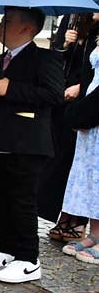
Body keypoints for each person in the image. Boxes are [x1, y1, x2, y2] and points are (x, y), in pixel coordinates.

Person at [0, 7, 64, 283]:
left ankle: (28, 258)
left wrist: (11, 88)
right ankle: (6, 248)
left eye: (7, 21)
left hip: (28, 143)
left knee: (23, 200)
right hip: (0, 139)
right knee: (3, 197)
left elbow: (54, 95)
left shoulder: (44, 58)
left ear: (27, 28)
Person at [41, 9, 99, 241]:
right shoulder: (73, 18)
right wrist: (65, 44)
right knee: (63, 161)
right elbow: (55, 56)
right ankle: (63, 216)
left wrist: (81, 88)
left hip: (86, 99)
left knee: (82, 163)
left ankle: (79, 222)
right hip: (64, 98)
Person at [60, 42, 99, 264]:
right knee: (91, 177)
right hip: (91, 113)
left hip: (95, 110)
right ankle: (95, 233)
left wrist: (84, 113)